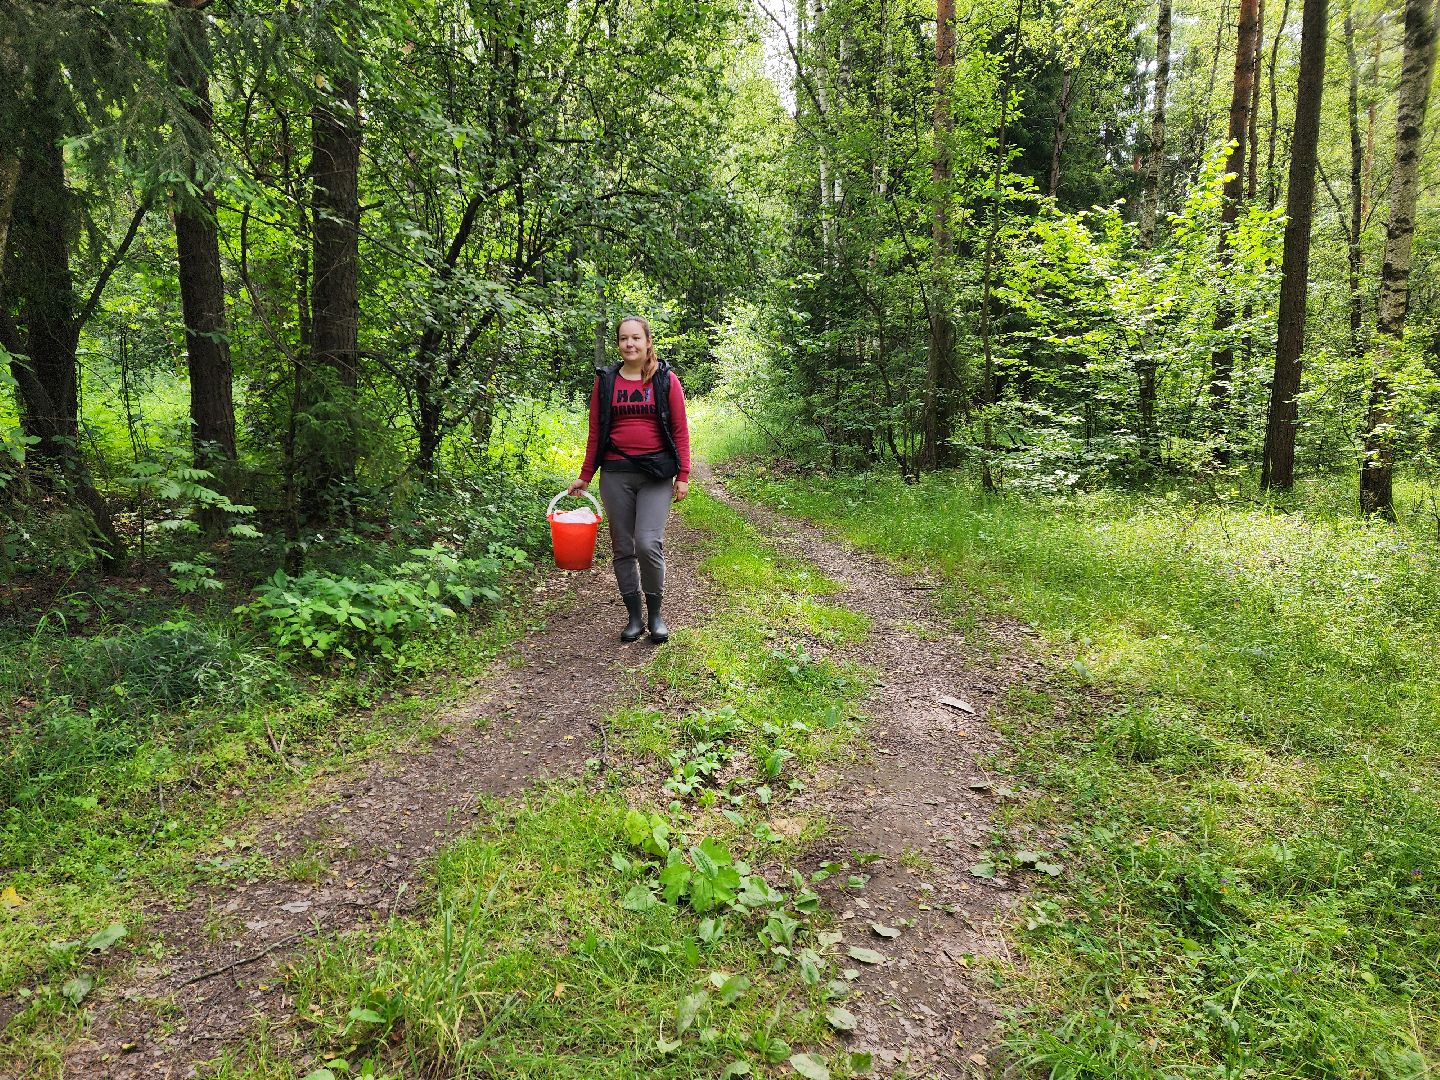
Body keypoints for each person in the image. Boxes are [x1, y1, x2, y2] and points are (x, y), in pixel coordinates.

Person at [567, 315, 690, 643]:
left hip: (656, 475)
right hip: (615, 474)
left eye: (636, 338)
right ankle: (634, 618)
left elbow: (680, 430)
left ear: (648, 342)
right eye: (624, 339)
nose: (630, 344)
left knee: (647, 543)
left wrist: (684, 475)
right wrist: (585, 476)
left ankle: (656, 615)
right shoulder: (605, 381)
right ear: (618, 343)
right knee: (623, 547)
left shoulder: (666, 380)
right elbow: (596, 432)